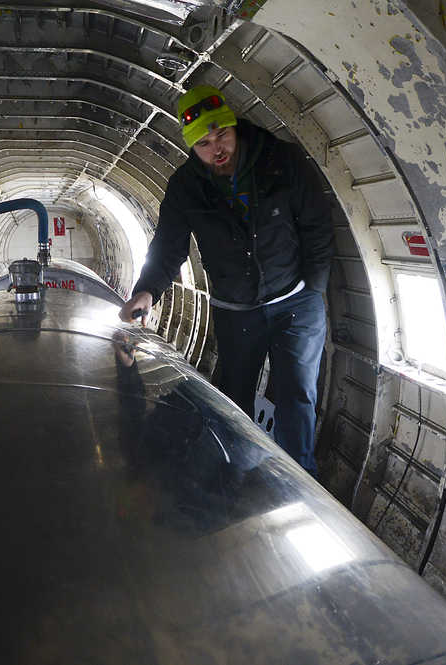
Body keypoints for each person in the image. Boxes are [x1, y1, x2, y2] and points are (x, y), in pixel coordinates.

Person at [119, 84, 333, 477]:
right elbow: (168, 246)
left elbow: (318, 227)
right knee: (234, 399)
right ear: (192, 146)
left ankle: (299, 484)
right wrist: (147, 291)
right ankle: (233, 480)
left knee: (298, 397)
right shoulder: (187, 187)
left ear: (234, 124)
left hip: (295, 304)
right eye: (203, 142)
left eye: (221, 134)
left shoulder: (281, 160)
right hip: (237, 313)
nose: (216, 147)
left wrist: (314, 292)